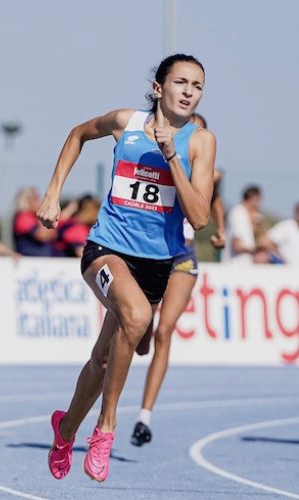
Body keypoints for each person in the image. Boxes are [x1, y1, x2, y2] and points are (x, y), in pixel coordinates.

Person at [37, 54, 215, 482]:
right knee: (136, 317)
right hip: (106, 247)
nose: (189, 91)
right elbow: (78, 134)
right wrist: (52, 193)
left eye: (198, 86)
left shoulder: (200, 142)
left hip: (156, 264)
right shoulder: (125, 122)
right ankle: (106, 428)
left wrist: (172, 157)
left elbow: (200, 218)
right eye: (181, 82)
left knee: (102, 359)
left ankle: (64, 429)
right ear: (159, 88)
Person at [130, 113, 226, 447]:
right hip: (152, 253)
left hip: (182, 258)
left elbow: (214, 200)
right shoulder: (160, 159)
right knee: (143, 337)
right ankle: (144, 328)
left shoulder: (203, 167)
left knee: (165, 332)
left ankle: (145, 416)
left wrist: (221, 231)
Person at [222, 185, 263, 263]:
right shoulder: (239, 213)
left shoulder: (245, 215)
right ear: (254, 199)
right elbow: (236, 245)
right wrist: (256, 249)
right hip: (236, 267)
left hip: (243, 268)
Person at [12, 186, 57, 256]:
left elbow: (54, 233)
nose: (40, 201)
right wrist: (41, 215)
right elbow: (42, 236)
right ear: (26, 200)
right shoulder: (23, 217)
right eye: (36, 198)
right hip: (30, 259)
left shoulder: (32, 217)